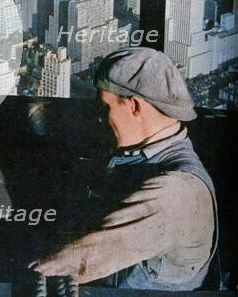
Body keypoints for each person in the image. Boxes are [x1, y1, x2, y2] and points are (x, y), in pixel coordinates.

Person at [32, 47, 217, 291]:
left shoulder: (176, 193)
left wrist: (20, 271)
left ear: (135, 106)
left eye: (105, 107)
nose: (99, 117)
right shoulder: (149, 147)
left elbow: (81, 259)